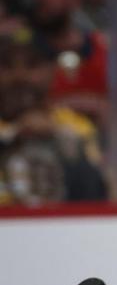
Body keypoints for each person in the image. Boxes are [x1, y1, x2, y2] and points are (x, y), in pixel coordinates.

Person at [0, 27, 107, 205]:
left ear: (51, 70)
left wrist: (58, 137)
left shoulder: (75, 126)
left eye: (32, 65)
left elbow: (94, 191)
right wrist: (14, 136)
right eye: (5, 65)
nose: (19, 76)